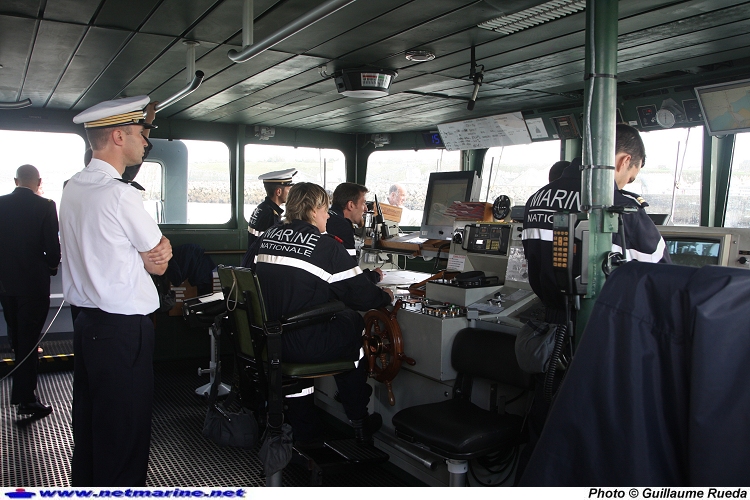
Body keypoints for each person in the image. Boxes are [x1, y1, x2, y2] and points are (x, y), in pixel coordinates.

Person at [516, 123, 671, 481]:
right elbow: (662, 276)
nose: (626, 184)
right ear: (624, 160)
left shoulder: (538, 198)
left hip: (548, 335)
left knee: (543, 432)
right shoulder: (621, 208)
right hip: (595, 341)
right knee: (586, 445)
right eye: (630, 176)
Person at [60, 95, 173, 486]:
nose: (146, 141)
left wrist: (146, 253)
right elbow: (159, 261)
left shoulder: (73, 187)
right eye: (141, 133)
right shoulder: (121, 194)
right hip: (123, 331)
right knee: (125, 435)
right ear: (119, 136)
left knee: (91, 428)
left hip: (87, 325)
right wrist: (153, 252)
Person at [246, 182, 393, 444]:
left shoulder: (267, 236)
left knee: (334, 325)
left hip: (266, 341)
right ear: (314, 211)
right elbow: (361, 296)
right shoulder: (325, 247)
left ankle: (302, 424)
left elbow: (247, 273)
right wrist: (386, 297)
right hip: (302, 345)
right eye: (325, 210)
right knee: (354, 325)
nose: (328, 216)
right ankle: (358, 418)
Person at [0, 164, 60, 417]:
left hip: (5, 284)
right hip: (34, 284)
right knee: (29, 339)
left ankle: (22, 393)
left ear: (16, 181)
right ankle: (25, 398)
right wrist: (52, 266)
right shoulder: (45, 206)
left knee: (16, 336)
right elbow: (52, 247)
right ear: (39, 181)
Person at [327, 182, 383, 284]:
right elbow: (350, 278)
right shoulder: (342, 226)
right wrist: (374, 276)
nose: (366, 209)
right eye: (363, 203)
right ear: (351, 205)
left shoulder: (329, 217)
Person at [241, 168, 296, 265]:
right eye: (289, 190)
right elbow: (270, 247)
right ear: (278, 192)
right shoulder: (270, 215)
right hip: (258, 264)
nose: (291, 193)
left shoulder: (261, 208)